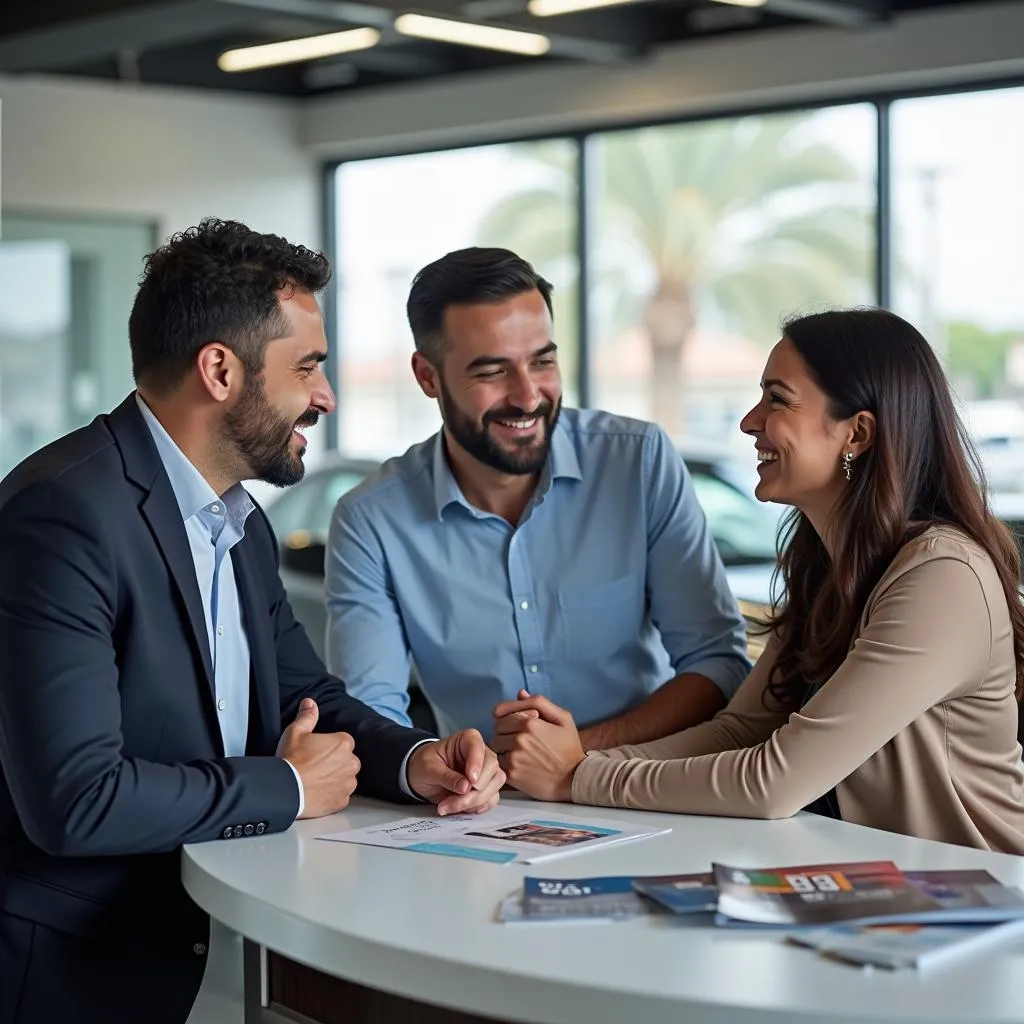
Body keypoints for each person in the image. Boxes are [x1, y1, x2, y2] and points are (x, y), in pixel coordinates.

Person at [0, 219, 504, 1024]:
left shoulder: (238, 525)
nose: (327, 397)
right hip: (52, 972)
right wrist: (291, 786)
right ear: (220, 370)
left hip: (158, 955)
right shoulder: (63, 514)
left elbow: (307, 699)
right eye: (307, 367)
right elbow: (76, 798)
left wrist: (417, 760)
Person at [495, 308, 1024, 856]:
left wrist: (576, 779)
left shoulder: (942, 577)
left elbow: (775, 780)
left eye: (778, 399)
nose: (750, 421)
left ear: (857, 433)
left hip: (983, 902)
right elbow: (738, 732)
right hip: (876, 888)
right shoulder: (829, 568)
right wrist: (573, 766)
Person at [324, 246, 750, 749]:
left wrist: (578, 754)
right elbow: (370, 714)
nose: (528, 396)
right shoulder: (371, 519)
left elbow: (717, 663)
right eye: (491, 371)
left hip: (646, 786)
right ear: (428, 377)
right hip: (481, 805)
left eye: (542, 361)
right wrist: (444, 772)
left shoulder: (638, 463)